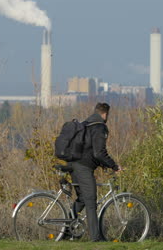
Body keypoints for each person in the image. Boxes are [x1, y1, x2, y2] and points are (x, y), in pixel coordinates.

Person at [69, 102, 121, 242]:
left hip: (73, 163)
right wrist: (114, 166)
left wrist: (103, 164)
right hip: (83, 167)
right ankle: (95, 238)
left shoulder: (86, 124)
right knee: (91, 200)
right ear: (105, 114)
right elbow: (99, 153)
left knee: (82, 199)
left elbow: (90, 150)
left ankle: (66, 232)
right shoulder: (99, 127)